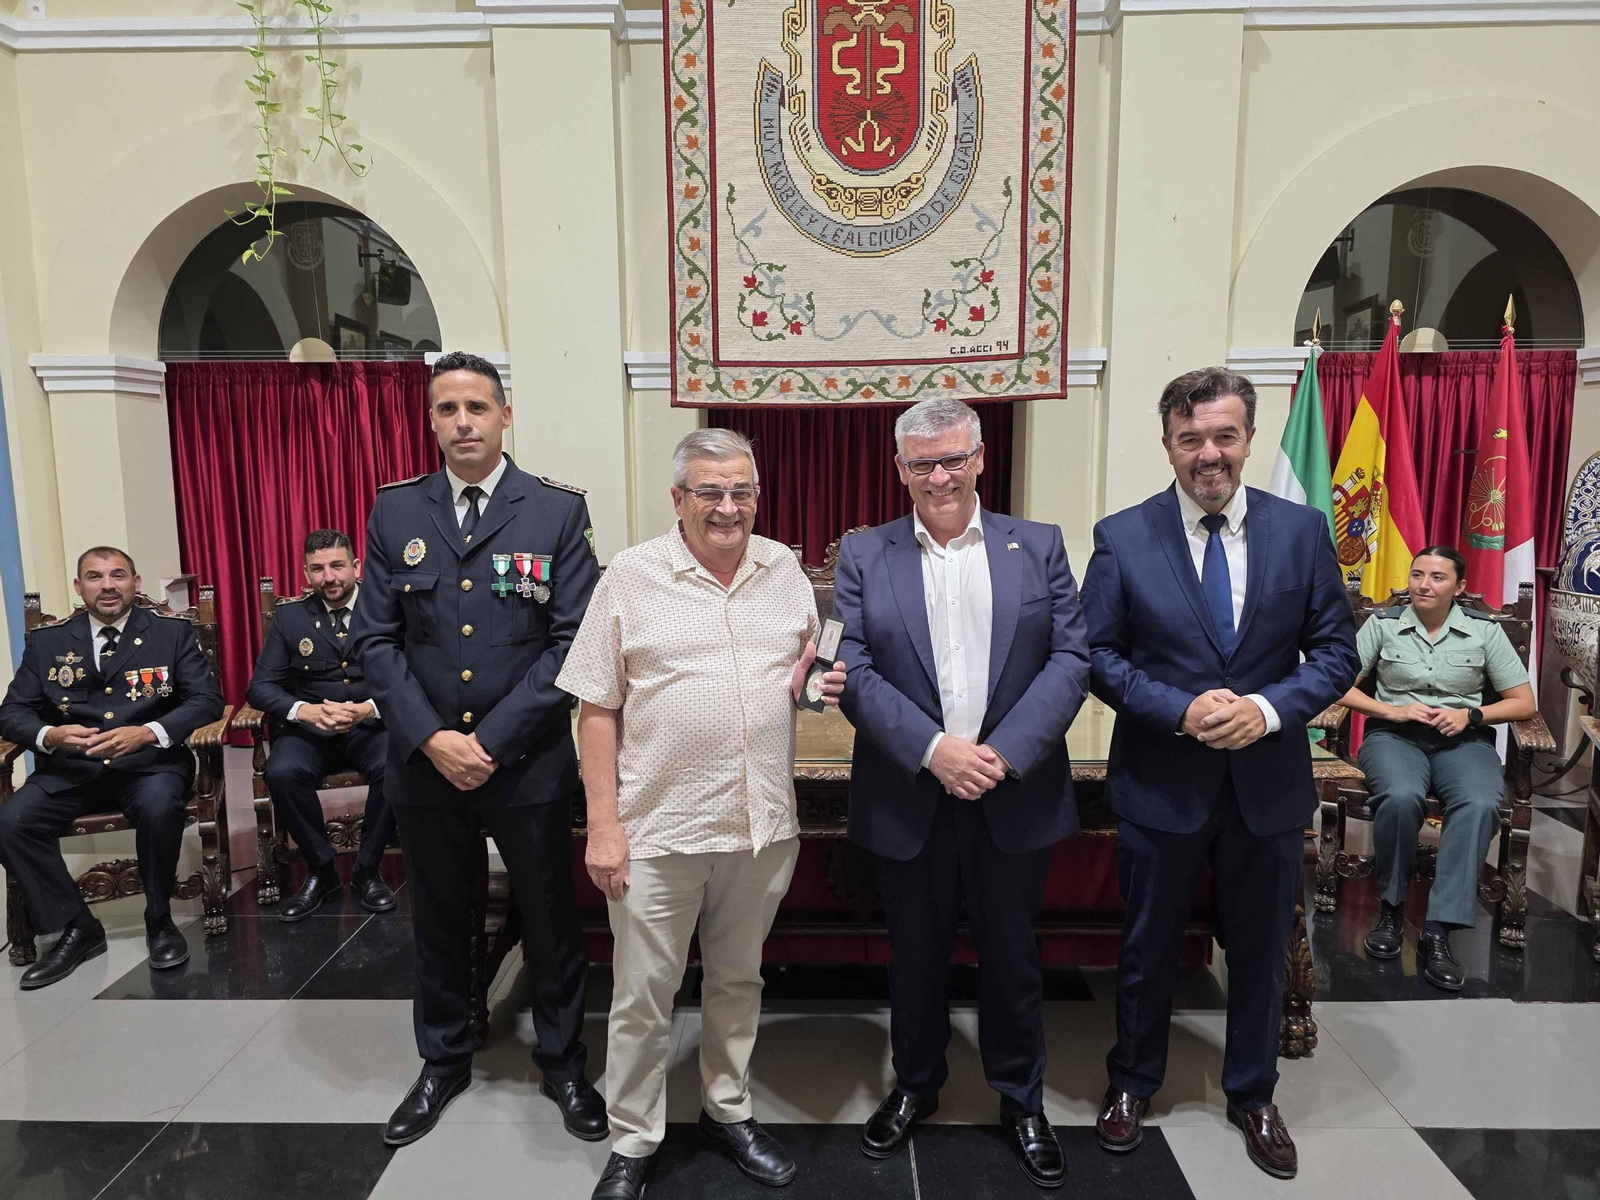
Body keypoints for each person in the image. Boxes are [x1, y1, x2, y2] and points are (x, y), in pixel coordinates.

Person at [1080, 367, 1357, 1180]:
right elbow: (1098, 655)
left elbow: (1335, 653)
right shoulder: (1122, 536)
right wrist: (1180, 709)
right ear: (1168, 444)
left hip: (1267, 785)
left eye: (1224, 436)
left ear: (1249, 438)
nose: (1209, 454)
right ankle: (1132, 1081)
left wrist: (1267, 710)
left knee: (1263, 950)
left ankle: (1253, 1093)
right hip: (1161, 782)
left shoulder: (1301, 531)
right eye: (1191, 438)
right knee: (1148, 947)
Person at [558, 428, 845, 1200]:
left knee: (738, 981)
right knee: (642, 995)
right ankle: (634, 1138)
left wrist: (813, 685)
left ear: (757, 495)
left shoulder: (782, 569)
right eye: (710, 491)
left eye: (741, 490)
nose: (727, 507)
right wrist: (604, 826)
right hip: (659, 829)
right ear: (678, 498)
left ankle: (727, 1108)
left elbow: (805, 675)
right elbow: (595, 708)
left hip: (760, 826)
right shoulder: (631, 576)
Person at [833, 397, 1090, 1190]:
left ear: (980, 458)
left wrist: (1002, 755)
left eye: (952, 458)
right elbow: (852, 670)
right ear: (900, 469)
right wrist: (934, 750)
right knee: (914, 957)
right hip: (910, 791)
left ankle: (1022, 1098)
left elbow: (1071, 660)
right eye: (922, 463)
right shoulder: (865, 553)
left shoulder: (1037, 545)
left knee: (1014, 958)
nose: (939, 476)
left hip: (1012, 793)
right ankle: (915, 1084)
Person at [352, 352, 605, 1147]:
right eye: (447, 409)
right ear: (431, 421)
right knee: (438, 917)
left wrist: (488, 742)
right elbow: (375, 639)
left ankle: (564, 1062)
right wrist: (433, 738)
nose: (463, 422)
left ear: (505, 416)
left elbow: (574, 642)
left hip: (525, 764)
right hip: (425, 767)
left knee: (549, 917)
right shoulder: (396, 511)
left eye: (477, 407)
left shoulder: (555, 511)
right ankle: (443, 1059)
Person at [0, 547, 224, 987]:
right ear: (78, 586)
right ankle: (77, 925)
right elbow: (12, 712)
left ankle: (159, 919)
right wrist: (51, 735)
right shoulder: (48, 642)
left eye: (118, 575)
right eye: (95, 577)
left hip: (149, 765)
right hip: (72, 769)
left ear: (135, 583)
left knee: (159, 807)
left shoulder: (170, 633)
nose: (107, 585)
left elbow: (206, 699)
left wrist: (149, 732)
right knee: (11, 822)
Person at [1337, 545, 1536, 990]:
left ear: (1459, 587)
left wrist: (1472, 715)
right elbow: (1337, 685)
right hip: (1394, 738)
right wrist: (1392, 711)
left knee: (1479, 802)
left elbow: (1523, 703)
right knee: (1400, 796)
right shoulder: (1383, 625)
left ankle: (1438, 930)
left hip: (1462, 741)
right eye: (1417, 575)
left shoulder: (1484, 631)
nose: (1424, 585)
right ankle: (1390, 909)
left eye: (1437, 577)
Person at [247, 528, 397, 919]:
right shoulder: (290, 617)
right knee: (281, 772)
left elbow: (413, 674)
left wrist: (368, 708)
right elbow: (260, 687)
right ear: (305, 573)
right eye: (317, 569)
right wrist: (304, 711)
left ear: (356, 566)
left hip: (371, 726)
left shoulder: (387, 608)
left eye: (337, 566)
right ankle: (322, 869)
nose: (329, 577)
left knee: (397, 764)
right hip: (311, 731)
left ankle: (367, 869)